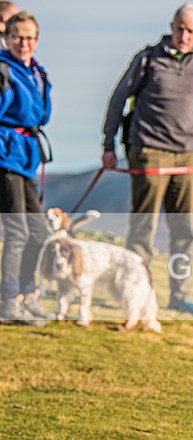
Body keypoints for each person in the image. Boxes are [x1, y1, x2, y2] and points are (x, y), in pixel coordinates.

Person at [101, 3, 193, 316]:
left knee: (183, 230)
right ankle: (135, 295)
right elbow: (118, 99)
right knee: (142, 228)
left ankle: (180, 296)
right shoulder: (147, 58)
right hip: (148, 150)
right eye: (180, 28)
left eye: (191, 31)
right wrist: (108, 145)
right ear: (172, 25)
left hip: (188, 156)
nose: (184, 35)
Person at [0, 11, 54, 327]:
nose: (24, 43)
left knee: (38, 232)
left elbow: (41, 115)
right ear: (6, 38)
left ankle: (26, 294)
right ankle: (8, 301)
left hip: (26, 158)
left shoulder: (37, 72)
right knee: (17, 232)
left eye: (30, 37)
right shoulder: (4, 70)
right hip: (5, 156)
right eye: (18, 36)